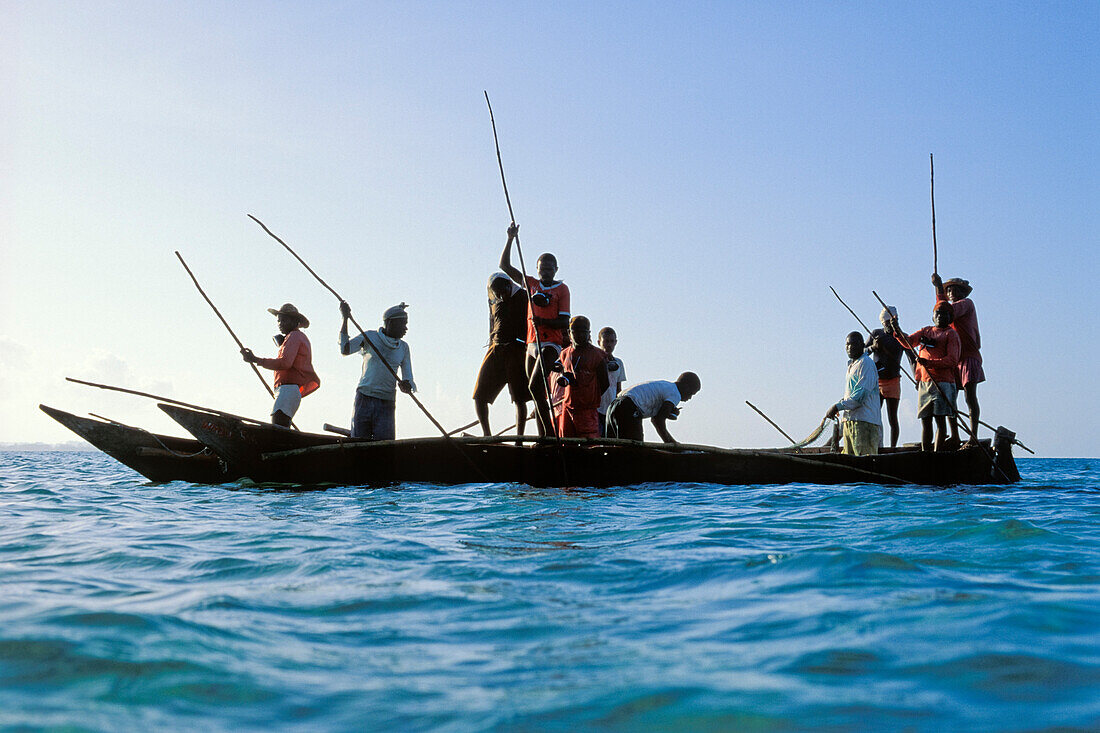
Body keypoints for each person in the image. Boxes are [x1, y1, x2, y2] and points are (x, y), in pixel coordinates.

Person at [499, 223, 570, 437]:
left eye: (550, 268)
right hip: (531, 345)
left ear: (556, 269)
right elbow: (504, 266)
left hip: (550, 344)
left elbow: (564, 322)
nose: (546, 271)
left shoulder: (561, 289)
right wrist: (510, 239)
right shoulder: (531, 284)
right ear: (537, 269)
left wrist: (542, 321)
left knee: (535, 386)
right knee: (537, 392)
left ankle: (549, 434)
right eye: (542, 268)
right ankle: (543, 435)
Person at [339, 300, 415, 441]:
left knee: (384, 447)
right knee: (358, 444)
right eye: (403, 324)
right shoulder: (370, 337)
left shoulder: (404, 348)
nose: (406, 328)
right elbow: (345, 349)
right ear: (390, 323)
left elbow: (408, 379)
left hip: (387, 402)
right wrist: (345, 318)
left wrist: (407, 386)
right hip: (364, 398)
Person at [241, 303, 320, 427]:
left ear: (294, 321)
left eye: (284, 320)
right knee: (280, 423)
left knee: (278, 424)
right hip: (288, 390)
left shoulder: (295, 336)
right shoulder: (295, 337)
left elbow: (285, 363)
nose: (280, 323)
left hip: (288, 389)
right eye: (279, 320)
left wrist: (256, 359)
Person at [895, 301, 961, 452]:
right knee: (925, 420)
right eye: (937, 313)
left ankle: (937, 454)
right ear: (932, 316)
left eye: (944, 313)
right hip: (924, 382)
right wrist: (896, 330)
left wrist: (929, 363)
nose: (940, 316)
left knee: (940, 421)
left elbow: (952, 359)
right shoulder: (926, 331)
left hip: (943, 383)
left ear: (949, 317)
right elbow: (909, 342)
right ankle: (926, 454)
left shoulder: (951, 334)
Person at [472, 273, 529, 436]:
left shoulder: (523, 296)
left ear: (509, 285)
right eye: (497, 294)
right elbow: (493, 322)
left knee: (519, 398)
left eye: (503, 292)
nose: (501, 296)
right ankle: (487, 435)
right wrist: (491, 344)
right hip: (496, 349)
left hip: (516, 350)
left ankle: (520, 437)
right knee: (479, 396)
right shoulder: (493, 299)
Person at [934, 273, 983, 448]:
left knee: (970, 397)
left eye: (955, 289)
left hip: (968, 356)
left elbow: (947, 311)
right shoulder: (949, 307)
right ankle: (954, 435)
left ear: (962, 293)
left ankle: (973, 437)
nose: (952, 292)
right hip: (954, 359)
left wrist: (939, 289)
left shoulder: (966, 304)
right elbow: (942, 312)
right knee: (950, 397)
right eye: (949, 290)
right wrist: (939, 290)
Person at [825, 331, 882, 456]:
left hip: (864, 422)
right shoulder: (852, 365)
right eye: (847, 345)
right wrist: (841, 404)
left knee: (864, 462)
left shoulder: (866, 363)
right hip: (850, 421)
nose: (850, 347)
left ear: (862, 345)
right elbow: (851, 395)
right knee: (849, 459)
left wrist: (837, 406)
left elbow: (860, 395)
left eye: (854, 344)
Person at [554, 316, 610, 439]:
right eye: (575, 332)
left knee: (590, 445)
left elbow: (605, 383)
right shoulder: (564, 353)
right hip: (568, 406)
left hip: (587, 410)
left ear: (589, 333)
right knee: (566, 444)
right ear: (569, 333)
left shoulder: (598, 355)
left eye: (583, 332)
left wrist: (590, 397)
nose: (579, 335)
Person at [606, 372, 700, 444]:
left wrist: (668, 412)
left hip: (613, 406)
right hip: (629, 407)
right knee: (634, 449)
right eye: (691, 394)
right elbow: (657, 420)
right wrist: (670, 442)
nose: (690, 398)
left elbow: (656, 410)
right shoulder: (675, 394)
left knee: (612, 447)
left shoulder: (666, 385)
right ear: (686, 387)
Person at [866, 306, 904, 448]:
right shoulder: (877, 334)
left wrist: (917, 377)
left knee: (893, 418)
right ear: (883, 323)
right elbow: (861, 352)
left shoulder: (901, 337)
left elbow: (913, 359)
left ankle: (893, 447)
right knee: (874, 415)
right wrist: (873, 348)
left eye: (894, 322)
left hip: (893, 380)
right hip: (877, 381)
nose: (891, 326)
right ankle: (875, 445)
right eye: (888, 323)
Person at [596, 326, 627, 437]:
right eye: (606, 341)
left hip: (611, 409)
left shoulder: (619, 363)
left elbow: (619, 389)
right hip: (596, 408)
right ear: (599, 342)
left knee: (611, 439)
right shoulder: (594, 360)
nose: (609, 345)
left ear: (616, 342)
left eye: (612, 341)